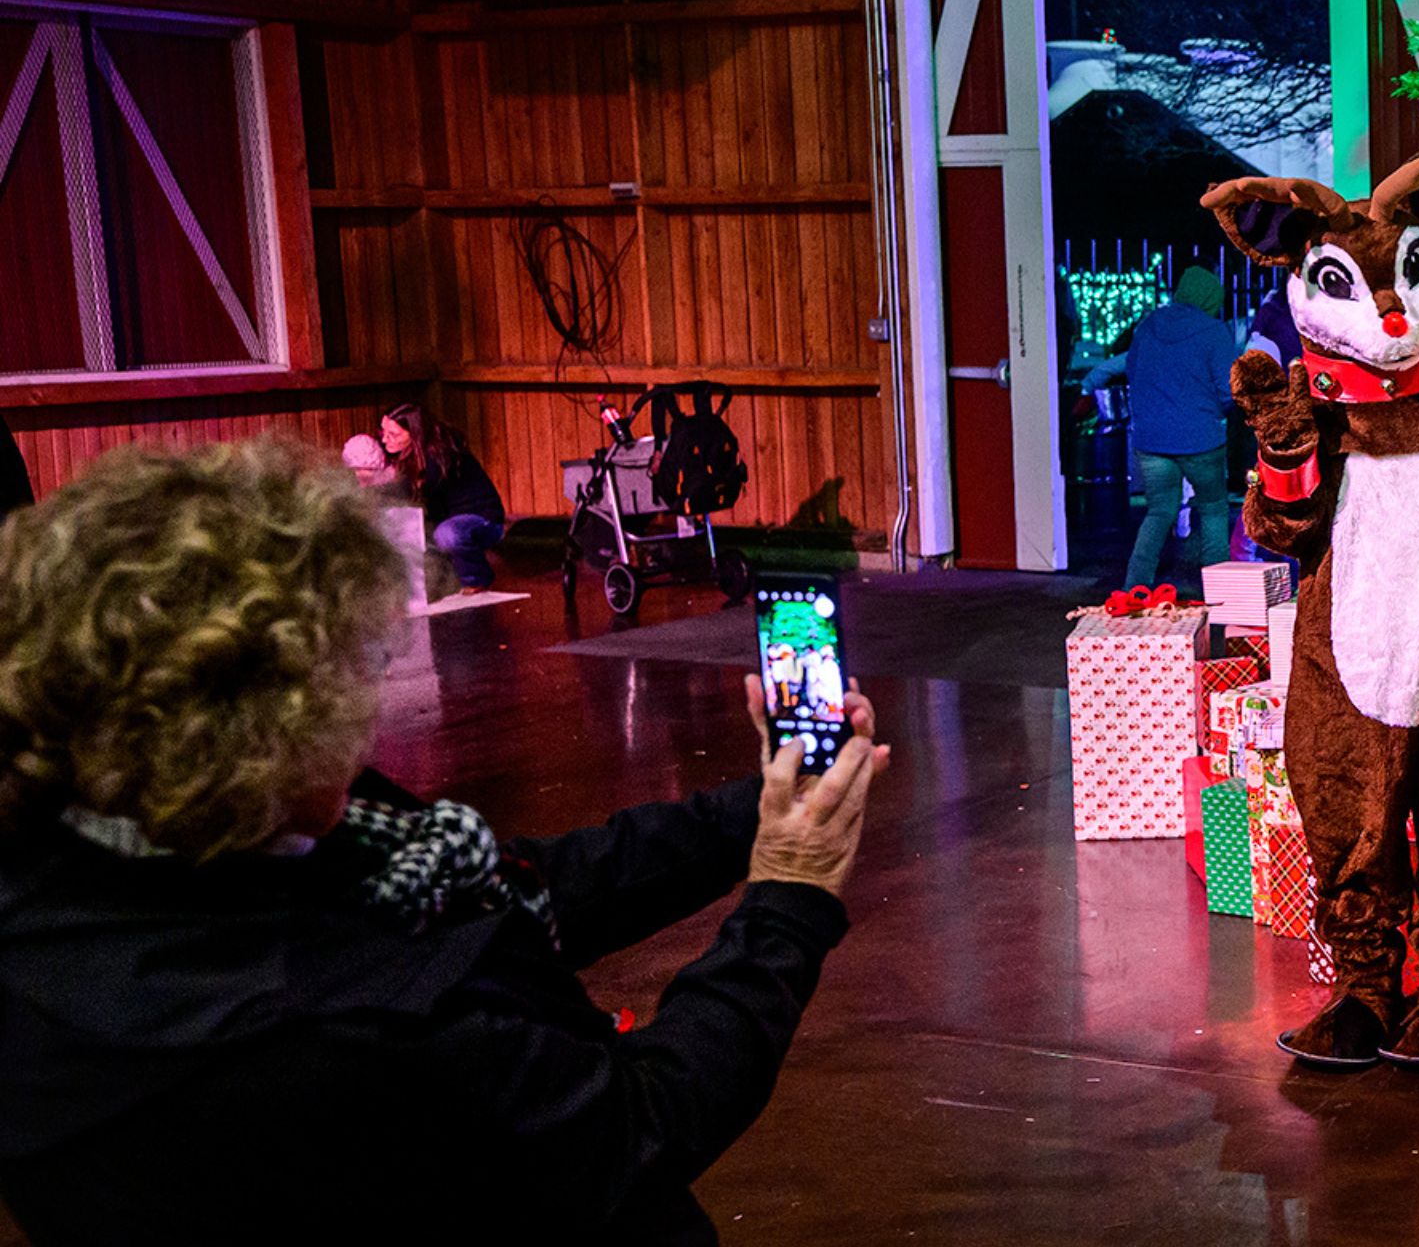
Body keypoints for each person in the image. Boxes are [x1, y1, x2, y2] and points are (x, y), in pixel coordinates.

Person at [0, 438, 888, 1245]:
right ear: (264, 728)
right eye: (353, 670)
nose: (370, 704)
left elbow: (525, 886)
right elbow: (631, 1129)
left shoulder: (161, 839)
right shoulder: (337, 1032)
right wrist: (787, 903)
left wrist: (760, 814)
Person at [1085, 266, 1242, 586]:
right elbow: (1229, 391)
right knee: (1212, 509)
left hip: (1151, 441)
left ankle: (1135, 589)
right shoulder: (1215, 332)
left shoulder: (1148, 325)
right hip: (1202, 439)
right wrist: (1214, 413)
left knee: (1158, 513)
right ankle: (1220, 595)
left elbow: (1131, 370)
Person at [380, 403, 507, 595]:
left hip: (482, 521)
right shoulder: (405, 454)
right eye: (383, 432)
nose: (385, 439)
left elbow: (405, 491)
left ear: (414, 434)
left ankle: (477, 579)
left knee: (447, 533)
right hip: (446, 520)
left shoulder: (439, 455)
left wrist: (367, 495)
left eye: (394, 435)